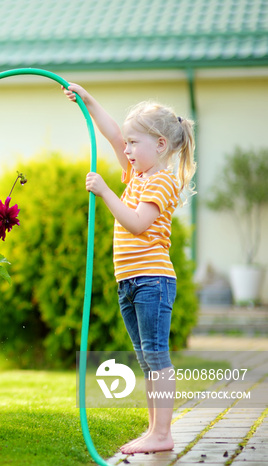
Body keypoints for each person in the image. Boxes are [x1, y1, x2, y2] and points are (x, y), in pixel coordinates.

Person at [63, 83, 196, 454]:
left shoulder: (163, 181)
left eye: (135, 144)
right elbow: (114, 134)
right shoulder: (137, 175)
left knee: (156, 356)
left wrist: (105, 192)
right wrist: (88, 101)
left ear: (160, 146)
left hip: (153, 281)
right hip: (131, 281)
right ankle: (155, 431)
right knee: (144, 357)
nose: (127, 150)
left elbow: (138, 223)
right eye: (129, 145)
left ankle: (162, 433)